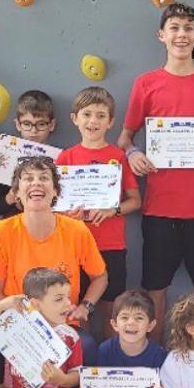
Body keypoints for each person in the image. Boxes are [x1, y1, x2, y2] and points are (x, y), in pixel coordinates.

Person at [117, 2, 194, 329]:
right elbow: (125, 138)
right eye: (174, 28)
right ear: (162, 35)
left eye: (188, 28)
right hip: (160, 208)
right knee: (154, 290)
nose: (181, 34)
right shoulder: (146, 83)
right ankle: (153, 363)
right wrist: (133, 155)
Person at [0, 156, 107, 360]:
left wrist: (86, 306)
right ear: (16, 193)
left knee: (87, 347)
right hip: (19, 321)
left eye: (44, 178)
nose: (36, 182)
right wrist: (28, 321)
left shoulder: (77, 230)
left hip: (62, 322)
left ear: (56, 190)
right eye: (28, 178)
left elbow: (100, 277)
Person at [55, 86, 142, 337]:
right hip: (74, 247)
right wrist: (68, 214)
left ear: (111, 121)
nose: (93, 121)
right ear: (75, 119)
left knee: (110, 310)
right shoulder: (66, 158)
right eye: (87, 114)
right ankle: (78, 368)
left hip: (111, 245)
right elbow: (54, 206)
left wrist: (111, 210)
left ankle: (105, 369)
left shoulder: (118, 157)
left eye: (101, 116)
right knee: (74, 311)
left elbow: (135, 201)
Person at [80, 289, 167, 388]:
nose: (131, 323)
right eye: (124, 317)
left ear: (151, 325)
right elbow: (98, 386)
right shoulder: (105, 349)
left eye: (139, 318)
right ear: (114, 324)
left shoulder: (159, 355)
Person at [0, 89, 56, 218]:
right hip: (14, 227)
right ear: (18, 125)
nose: (34, 131)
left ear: (52, 125)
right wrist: (10, 197)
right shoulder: (7, 157)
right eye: (27, 124)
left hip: (48, 227)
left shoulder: (60, 159)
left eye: (41, 124)